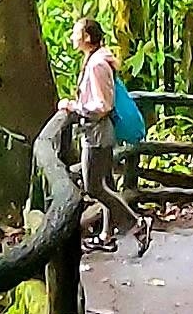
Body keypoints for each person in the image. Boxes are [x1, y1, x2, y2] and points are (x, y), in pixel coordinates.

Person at [46, 14, 151, 258]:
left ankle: (137, 224)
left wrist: (74, 107)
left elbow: (102, 105)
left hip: (97, 134)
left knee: (94, 187)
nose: (72, 36)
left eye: (76, 32)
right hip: (95, 132)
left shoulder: (96, 65)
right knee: (106, 184)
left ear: (88, 37)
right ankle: (106, 236)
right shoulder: (94, 60)